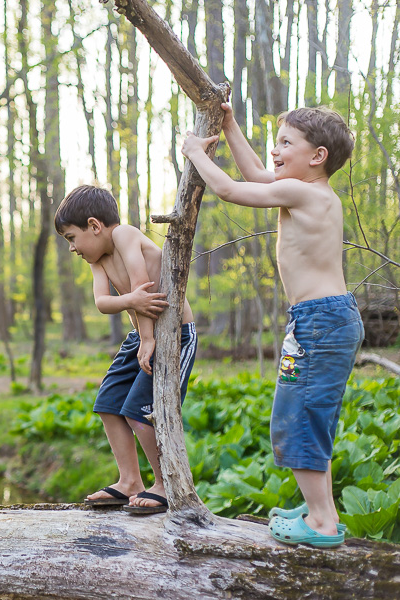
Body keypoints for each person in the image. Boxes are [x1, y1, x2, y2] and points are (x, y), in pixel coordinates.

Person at [182, 104, 363, 548]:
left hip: (319, 322)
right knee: (308, 416)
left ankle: (321, 523)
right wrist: (229, 127)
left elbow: (227, 188)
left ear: (317, 156)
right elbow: (258, 172)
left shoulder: (308, 194)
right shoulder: (305, 190)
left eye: (287, 143)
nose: (275, 150)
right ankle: (321, 509)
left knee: (298, 418)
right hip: (321, 320)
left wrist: (193, 152)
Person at [56, 184, 198, 515]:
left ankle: (165, 484)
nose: (72, 248)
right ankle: (129, 481)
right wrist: (134, 314)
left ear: (94, 226)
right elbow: (103, 302)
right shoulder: (98, 259)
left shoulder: (125, 235)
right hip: (140, 336)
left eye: (72, 238)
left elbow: (141, 284)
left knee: (141, 410)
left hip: (174, 335)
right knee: (108, 403)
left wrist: (148, 337)